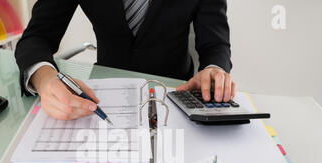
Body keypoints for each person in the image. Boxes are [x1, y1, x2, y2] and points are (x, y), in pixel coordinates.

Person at [15, 0, 235, 120]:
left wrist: (214, 69)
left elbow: (215, 44)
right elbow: (36, 36)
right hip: (103, 92)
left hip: (174, 91)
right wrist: (44, 79)